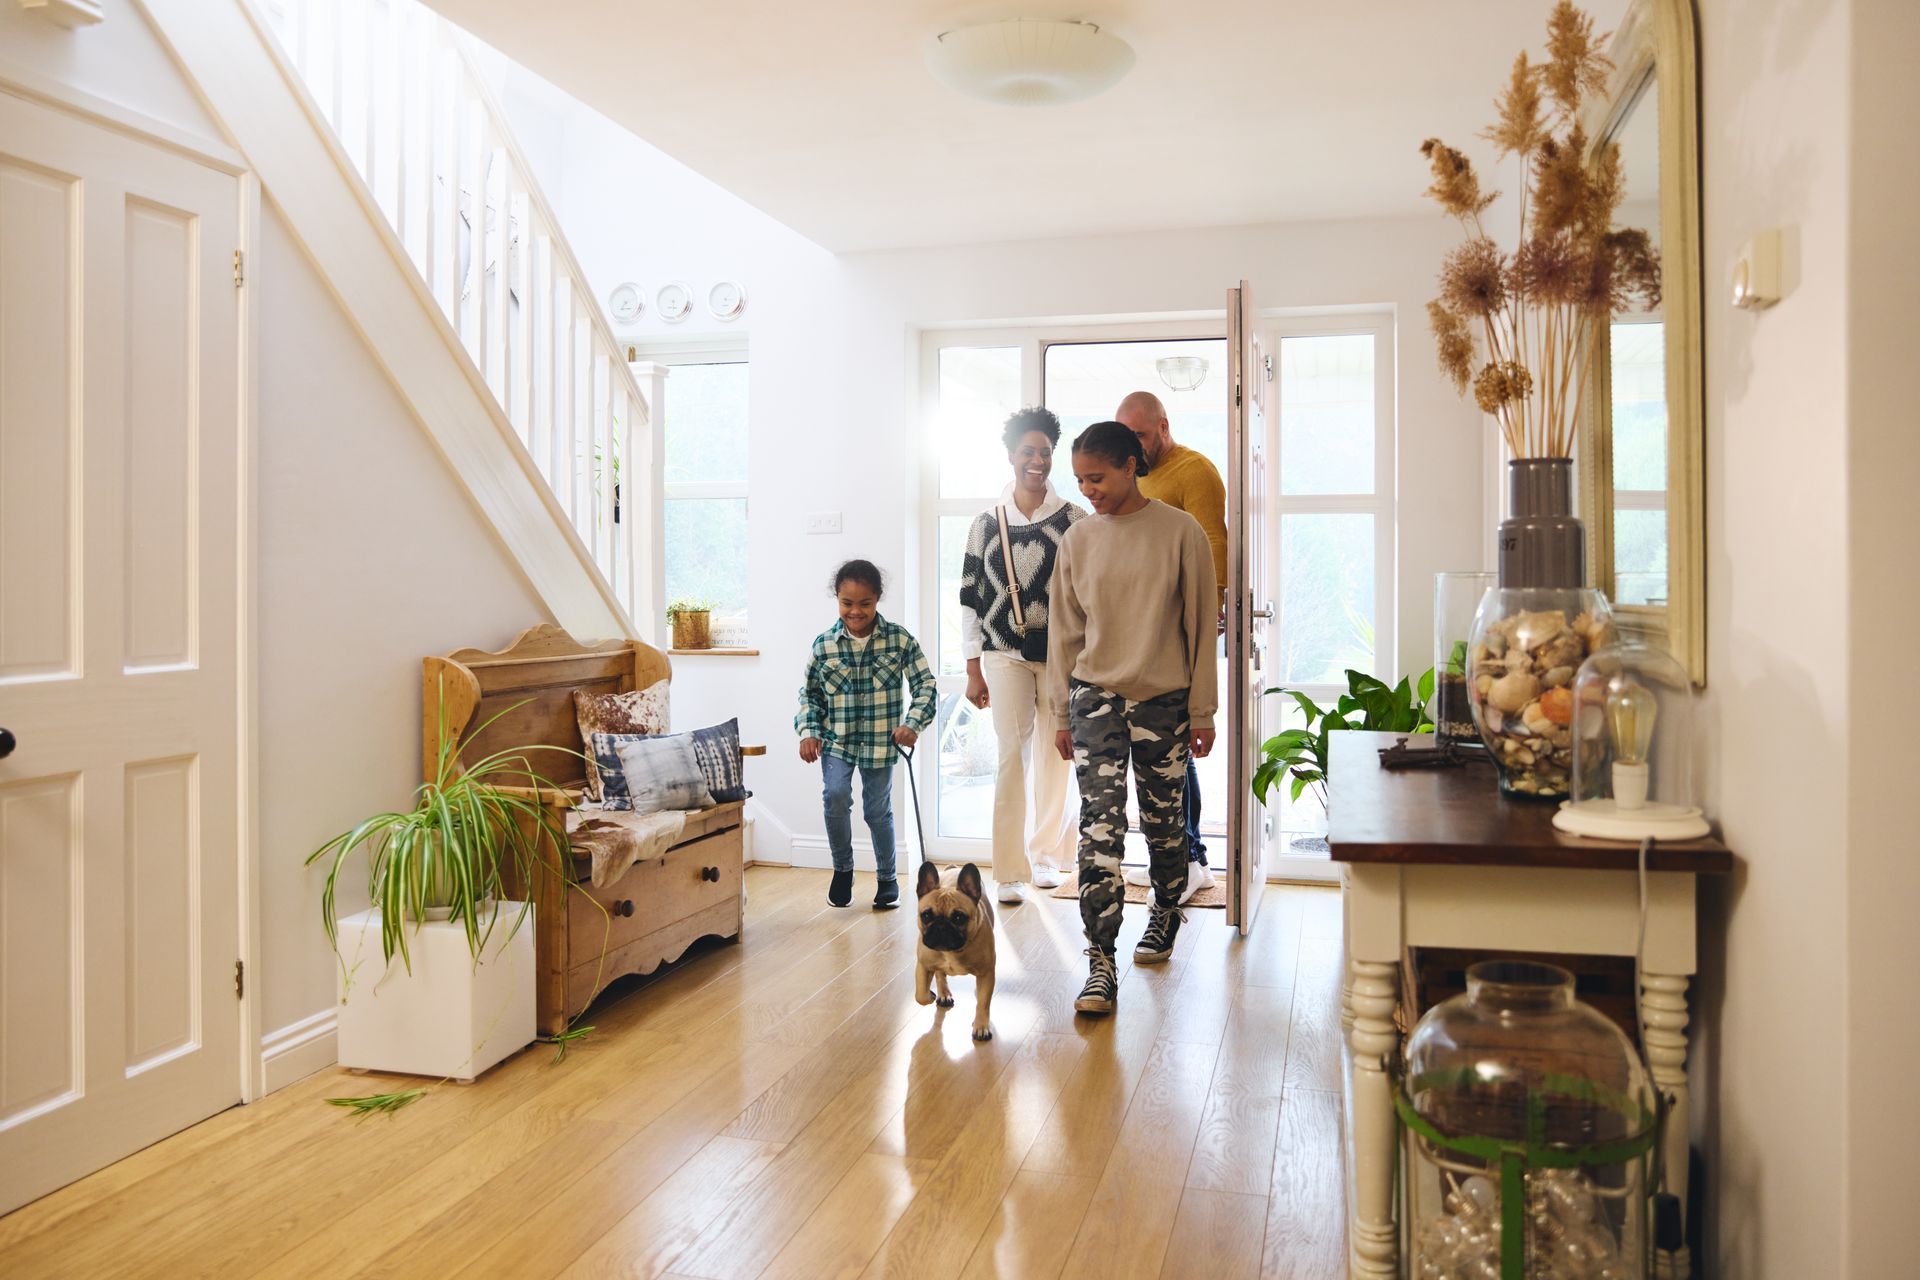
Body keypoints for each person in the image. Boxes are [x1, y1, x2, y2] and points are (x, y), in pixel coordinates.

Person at [1047, 422, 1218, 1015]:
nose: (1087, 489)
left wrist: (1203, 709)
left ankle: (1166, 909)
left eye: (1096, 477)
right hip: (1094, 697)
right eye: (1079, 480)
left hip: (1164, 700)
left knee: (1165, 822)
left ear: (1129, 465)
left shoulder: (1180, 532)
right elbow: (1065, 634)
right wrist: (1059, 715)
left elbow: (1201, 625)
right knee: (1100, 825)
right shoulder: (1078, 540)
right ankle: (1099, 961)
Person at [957, 407, 1086, 905]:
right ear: (1011, 455)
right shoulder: (985, 524)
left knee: (1058, 756)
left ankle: (1047, 856)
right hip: (1002, 653)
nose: (1037, 461)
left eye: (1046, 452)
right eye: (1028, 451)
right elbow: (969, 597)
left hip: (1060, 656)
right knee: (1012, 756)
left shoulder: (1076, 519)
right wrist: (972, 667)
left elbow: (1087, 592)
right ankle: (1008, 870)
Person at [1115, 389, 1227, 903]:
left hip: (1178, 637)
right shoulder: (1130, 477)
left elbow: (1213, 549)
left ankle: (1193, 859)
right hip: (1138, 638)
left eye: (1139, 434)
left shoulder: (1194, 472)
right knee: (1164, 757)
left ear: (1163, 425)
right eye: (1125, 435)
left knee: (1179, 752)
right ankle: (1181, 856)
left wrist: (1208, 620)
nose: (1131, 445)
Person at [795, 559, 937, 910]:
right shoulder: (824, 645)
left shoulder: (900, 640)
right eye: (847, 603)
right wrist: (809, 732)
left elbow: (925, 685)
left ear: (878, 599)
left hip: (879, 743)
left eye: (864, 604)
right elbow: (809, 695)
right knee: (836, 796)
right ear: (837, 599)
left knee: (877, 810)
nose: (855, 612)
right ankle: (843, 870)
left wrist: (913, 723)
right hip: (837, 742)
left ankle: (887, 878)